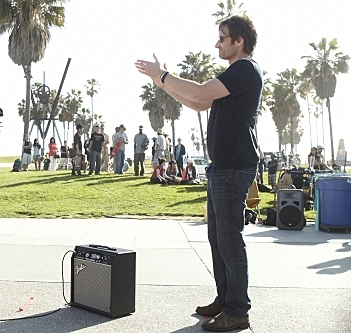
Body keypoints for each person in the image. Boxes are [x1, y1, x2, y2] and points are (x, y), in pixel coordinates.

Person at [136, 13, 261, 331]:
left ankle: (237, 310)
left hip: (233, 167)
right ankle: (225, 300)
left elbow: (200, 93)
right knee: (218, 238)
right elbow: (198, 103)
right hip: (222, 167)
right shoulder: (233, 75)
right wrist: (160, 82)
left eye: (222, 37)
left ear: (239, 41)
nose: (217, 43)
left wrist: (162, 75)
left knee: (230, 240)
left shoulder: (246, 69)